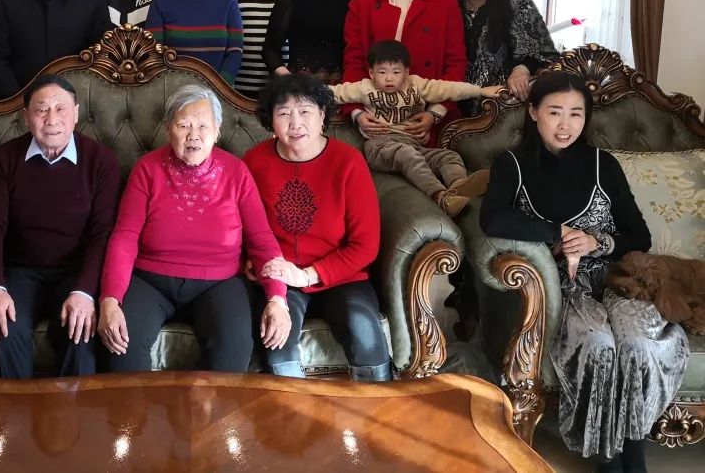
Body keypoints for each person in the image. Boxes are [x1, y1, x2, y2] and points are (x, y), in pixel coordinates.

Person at [479, 72, 688, 471]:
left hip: (617, 280)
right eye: (554, 112)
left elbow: (639, 236)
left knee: (640, 344)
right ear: (533, 112)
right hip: (562, 285)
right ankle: (607, 458)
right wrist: (556, 233)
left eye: (576, 114)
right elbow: (492, 219)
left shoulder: (602, 164)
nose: (565, 124)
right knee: (596, 344)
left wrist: (597, 242)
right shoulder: (511, 165)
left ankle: (634, 457)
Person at [96, 85, 291, 372]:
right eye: (184, 125)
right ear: (168, 129)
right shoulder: (147, 169)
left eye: (203, 126)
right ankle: (133, 406)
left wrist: (277, 298)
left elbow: (261, 239)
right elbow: (125, 237)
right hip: (151, 280)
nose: (193, 135)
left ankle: (210, 405)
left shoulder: (236, 172)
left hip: (219, 281)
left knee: (233, 344)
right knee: (121, 343)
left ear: (217, 130)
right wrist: (110, 299)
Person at [244, 73, 393, 381]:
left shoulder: (348, 162)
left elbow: (365, 245)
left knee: (364, 332)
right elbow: (237, 225)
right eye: (283, 113)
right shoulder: (253, 162)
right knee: (276, 347)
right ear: (270, 120)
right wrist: (246, 259)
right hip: (280, 280)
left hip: (343, 278)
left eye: (305, 111)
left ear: (322, 115)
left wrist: (309, 275)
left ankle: (378, 407)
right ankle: (294, 411)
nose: (295, 123)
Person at [0, 75, 120, 378]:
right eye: (41, 110)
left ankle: (70, 409)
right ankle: (16, 407)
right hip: (20, 270)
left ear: (76, 113)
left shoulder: (101, 160)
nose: (52, 119)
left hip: (74, 272)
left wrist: (85, 291)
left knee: (80, 334)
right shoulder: (5, 157)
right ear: (26, 116)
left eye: (61, 109)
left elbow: (102, 234)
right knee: (4, 329)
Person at [328, 41, 500, 216]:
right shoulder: (364, 88)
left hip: (413, 145)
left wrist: (480, 91)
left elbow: (448, 88)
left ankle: (459, 186)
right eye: (382, 72)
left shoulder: (415, 85)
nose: (389, 78)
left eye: (396, 72)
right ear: (372, 73)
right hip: (379, 146)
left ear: (406, 72)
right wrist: (310, 91)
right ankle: (441, 197)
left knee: (449, 156)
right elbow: (335, 93)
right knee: (408, 155)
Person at [342, 0, 467, 145]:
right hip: (375, 118)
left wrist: (435, 113)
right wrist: (357, 113)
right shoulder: (363, 2)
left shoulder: (445, 1)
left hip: (428, 115)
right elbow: (354, 61)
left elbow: (455, 62)